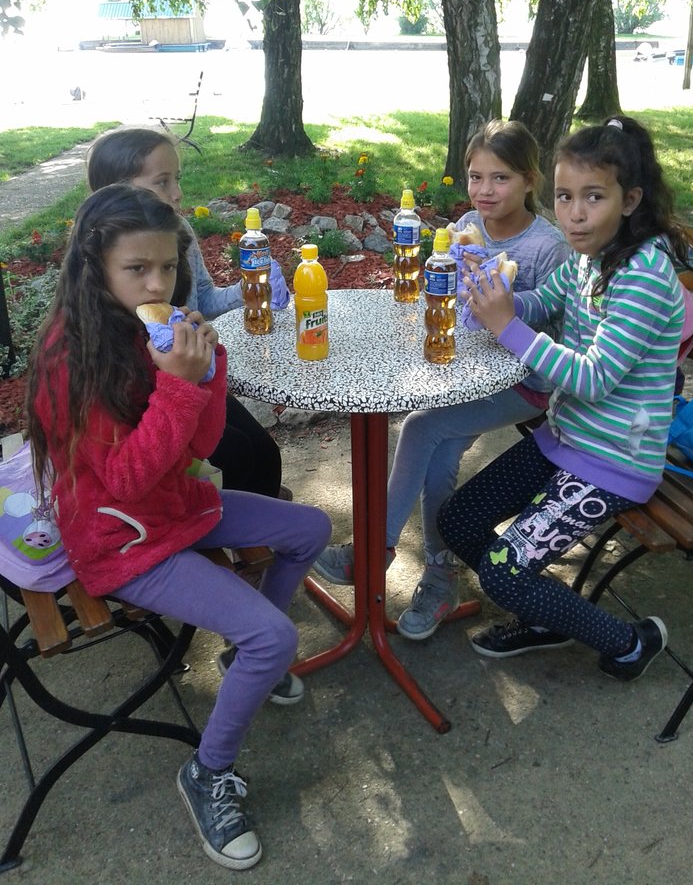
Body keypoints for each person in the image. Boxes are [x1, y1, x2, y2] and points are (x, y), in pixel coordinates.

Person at [25, 186, 332, 870]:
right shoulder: (70, 358)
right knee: (274, 635)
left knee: (310, 528)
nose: (157, 284)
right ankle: (208, 771)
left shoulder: (153, 329)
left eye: (167, 267)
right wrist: (178, 386)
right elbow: (126, 480)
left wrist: (208, 372)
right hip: (118, 541)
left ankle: (245, 659)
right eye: (137, 269)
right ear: (94, 267)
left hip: (173, 506)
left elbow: (204, 444)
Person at [436, 114, 691, 680]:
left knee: (502, 572)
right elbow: (539, 303)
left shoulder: (644, 275)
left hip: (614, 461)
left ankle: (630, 643)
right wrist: (492, 290)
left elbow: (594, 377)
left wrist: (506, 327)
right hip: (566, 440)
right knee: (458, 520)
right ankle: (546, 611)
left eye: (593, 197)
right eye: (565, 196)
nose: (574, 213)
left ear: (629, 200)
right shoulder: (585, 258)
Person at [313, 120, 569, 639]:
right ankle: (440, 574)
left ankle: (373, 550)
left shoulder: (548, 248)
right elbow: (445, 298)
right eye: (476, 177)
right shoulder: (468, 224)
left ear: (529, 180)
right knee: (441, 457)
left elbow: (553, 324)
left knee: (421, 426)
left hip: (526, 383)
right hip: (465, 372)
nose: (484, 191)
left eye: (500, 178)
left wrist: (501, 298)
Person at [86, 125, 290, 501]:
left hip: (192, 375)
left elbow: (204, 300)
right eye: (162, 181)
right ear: (115, 193)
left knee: (264, 451)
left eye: (176, 179)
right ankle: (240, 521)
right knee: (237, 456)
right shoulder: (103, 263)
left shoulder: (179, 232)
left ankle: (261, 511)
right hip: (150, 398)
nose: (177, 193)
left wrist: (251, 289)